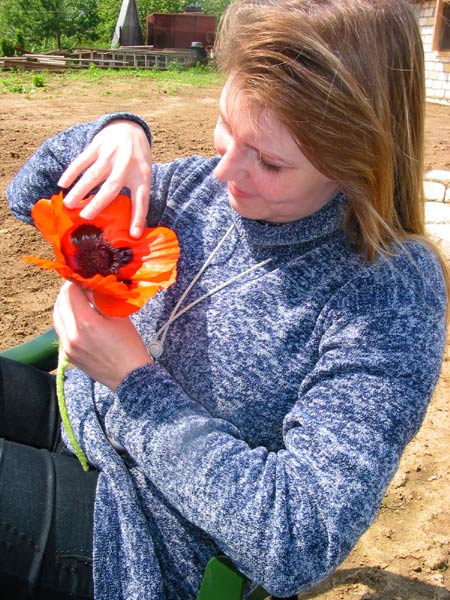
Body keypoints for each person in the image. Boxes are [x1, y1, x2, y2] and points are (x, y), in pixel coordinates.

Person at [1, 0, 449, 599]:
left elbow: (298, 543)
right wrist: (118, 131)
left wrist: (133, 381)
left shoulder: (386, 292)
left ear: (357, 159)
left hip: (145, 537)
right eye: (225, 124)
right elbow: (27, 193)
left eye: (268, 160)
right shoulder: (200, 187)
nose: (224, 171)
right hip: (79, 418)